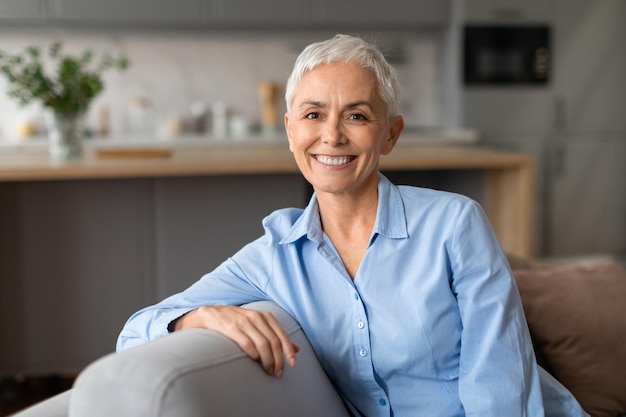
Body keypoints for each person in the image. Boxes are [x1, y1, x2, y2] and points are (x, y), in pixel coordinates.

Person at [117, 34, 588, 417]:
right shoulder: (274, 255)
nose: (332, 135)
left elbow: (499, 387)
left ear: (391, 134)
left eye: (357, 116)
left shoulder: (454, 224)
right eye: (313, 114)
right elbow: (132, 334)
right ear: (290, 131)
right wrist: (195, 316)